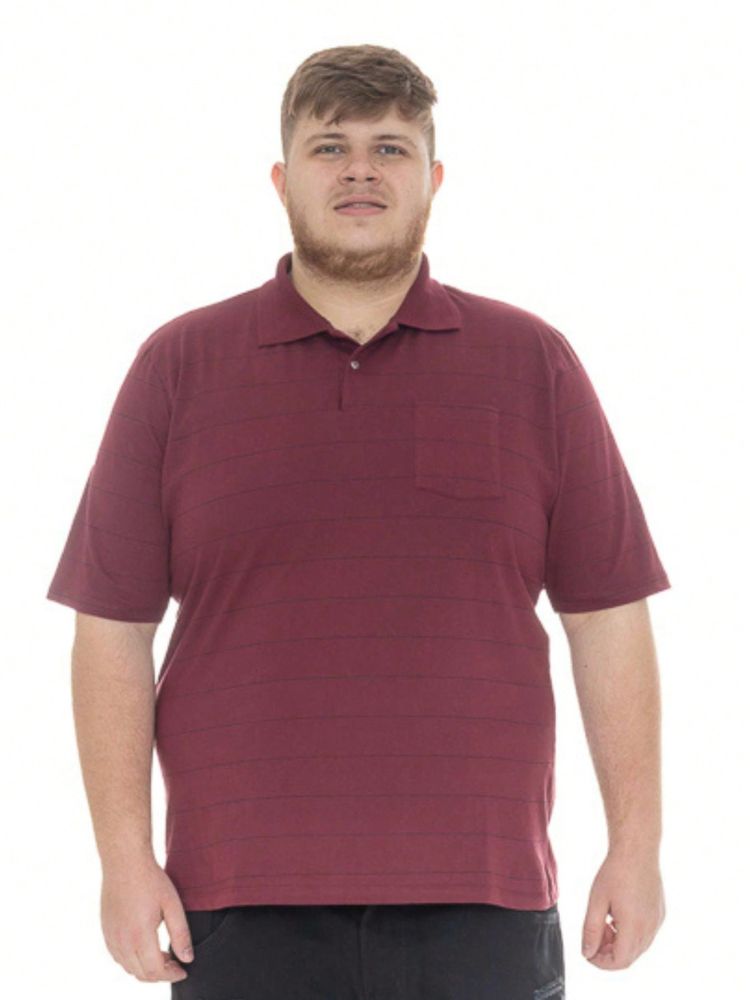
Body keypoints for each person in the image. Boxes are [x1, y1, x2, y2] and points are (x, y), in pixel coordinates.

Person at [46, 43, 670, 999]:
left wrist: (638, 847)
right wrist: (122, 860)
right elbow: (112, 630)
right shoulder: (179, 367)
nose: (359, 171)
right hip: (238, 901)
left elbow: (608, 617)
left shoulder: (532, 363)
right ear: (282, 179)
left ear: (434, 180)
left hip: (485, 898)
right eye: (330, 147)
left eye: (390, 148)